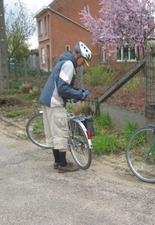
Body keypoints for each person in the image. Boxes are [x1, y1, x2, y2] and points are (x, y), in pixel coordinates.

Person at [39, 41, 92, 173]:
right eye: (83, 61)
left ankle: (57, 161)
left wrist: (77, 91)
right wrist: (80, 95)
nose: (82, 65)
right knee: (61, 132)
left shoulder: (64, 61)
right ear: (78, 55)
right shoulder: (69, 64)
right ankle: (63, 164)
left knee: (52, 132)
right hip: (55, 102)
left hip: (47, 100)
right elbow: (63, 89)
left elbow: (63, 85)